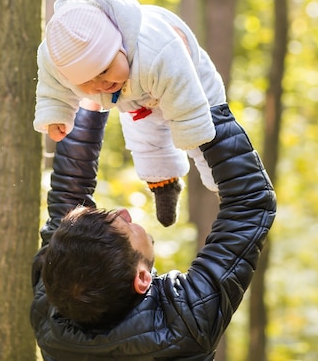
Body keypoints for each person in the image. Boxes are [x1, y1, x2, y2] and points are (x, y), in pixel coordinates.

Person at [30, 102, 276, 361]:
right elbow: (251, 201)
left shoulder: (53, 315)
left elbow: (69, 197)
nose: (124, 212)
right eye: (127, 228)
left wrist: (90, 104)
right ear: (142, 279)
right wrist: (198, 104)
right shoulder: (185, 324)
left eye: (108, 216)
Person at [34, 0, 226, 226]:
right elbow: (53, 87)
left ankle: (226, 187)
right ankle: (165, 186)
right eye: (87, 82)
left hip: (190, 83)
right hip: (136, 99)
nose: (101, 84)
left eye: (104, 70)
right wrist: (56, 115)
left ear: (120, 44)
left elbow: (186, 96)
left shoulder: (157, 51)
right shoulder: (59, 61)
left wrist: (191, 131)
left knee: (210, 138)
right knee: (147, 142)